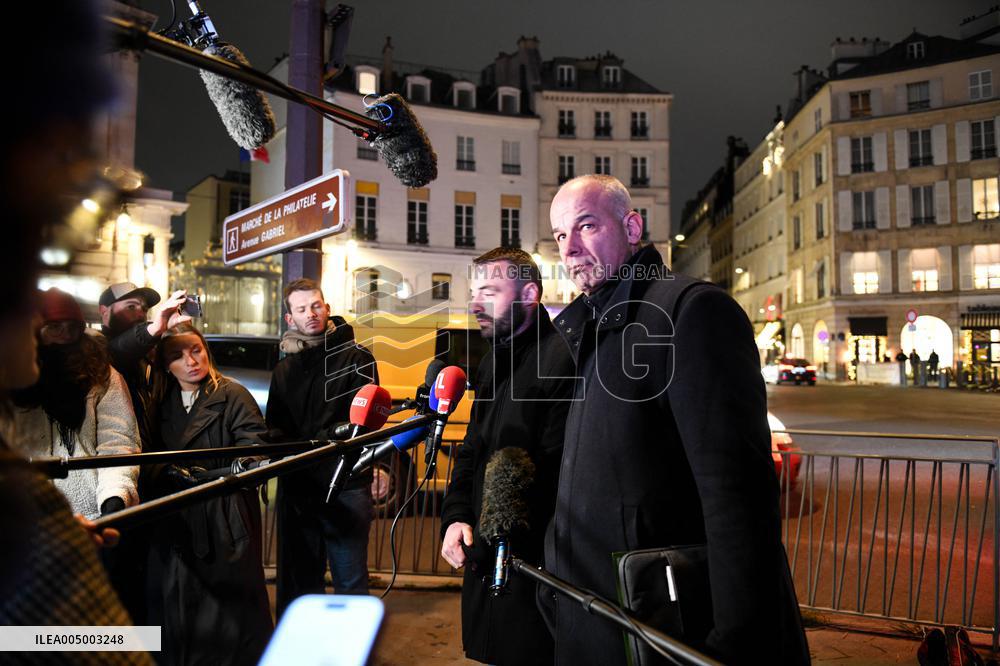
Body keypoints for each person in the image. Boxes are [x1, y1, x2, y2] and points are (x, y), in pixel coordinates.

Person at [543, 175, 809, 665]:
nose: (571, 248)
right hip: (597, 617)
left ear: (631, 226)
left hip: (665, 628)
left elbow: (737, 495)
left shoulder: (692, 311)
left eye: (585, 226)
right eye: (560, 235)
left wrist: (735, 642)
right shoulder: (584, 327)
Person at [0, 1, 151, 663]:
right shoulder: (18, 522)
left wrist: (109, 507)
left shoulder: (98, 372)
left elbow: (117, 441)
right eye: (44, 222)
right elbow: (99, 649)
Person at [439, 248, 575, 665]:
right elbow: (472, 450)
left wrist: (495, 536)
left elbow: (553, 472)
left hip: (534, 572)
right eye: (474, 291)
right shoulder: (492, 361)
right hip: (486, 562)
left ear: (529, 294)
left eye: (491, 292)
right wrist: (456, 516)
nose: (476, 303)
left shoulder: (562, 360)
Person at [146, 323, 273, 666]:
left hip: (225, 515)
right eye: (178, 355)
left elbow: (255, 449)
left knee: (232, 614)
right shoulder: (160, 401)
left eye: (196, 350)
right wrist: (167, 474)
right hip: (176, 515)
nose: (191, 360)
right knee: (179, 610)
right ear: (165, 365)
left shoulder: (233, 394)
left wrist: (226, 473)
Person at [267, 278, 379, 615]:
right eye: (301, 309)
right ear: (291, 319)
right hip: (298, 488)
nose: (311, 314)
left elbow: (366, 422)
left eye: (316, 305)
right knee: (300, 582)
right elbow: (276, 428)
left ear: (327, 308)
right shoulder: (284, 369)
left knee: (350, 582)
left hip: (345, 485)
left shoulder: (357, 358)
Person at [8, 287, 140, 519]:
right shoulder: (15, 376)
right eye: (55, 328)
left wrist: (115, 496)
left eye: (73, 328)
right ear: (36, 331)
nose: (66, 336)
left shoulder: (101, 373)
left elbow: (118, 441)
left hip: (89, 513)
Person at [99, 281, 191, 448]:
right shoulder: (95, 350)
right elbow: (118, 349)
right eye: (131, 307)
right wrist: (155, 328)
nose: (141, 314)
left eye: (144, 309)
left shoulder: (148, 356)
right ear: (104, 311)